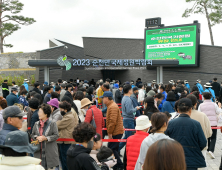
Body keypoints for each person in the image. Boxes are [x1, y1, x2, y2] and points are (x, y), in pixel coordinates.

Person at [165, 98, 207, 170]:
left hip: (175, 158)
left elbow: (165, 140)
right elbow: (203, 142)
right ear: (190, 109)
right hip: (192, 160)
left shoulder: (171, 123)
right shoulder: (196, 124)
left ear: (178, 110)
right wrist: (195, 149)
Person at [31, 104, 59, 170]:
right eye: (38, 112)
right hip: (38, 151)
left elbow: (56, 135)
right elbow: (32, 134)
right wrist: (37, 137)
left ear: (46, 114)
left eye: (40, 112)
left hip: (49, 151)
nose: (38, 113)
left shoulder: (52, 123)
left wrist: (46, 138)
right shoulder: (36, 123)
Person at [101, 91, 124, 170]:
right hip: (116, 131)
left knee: (111, 149)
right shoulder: (110, 105)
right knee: (114, 149)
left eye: (103, 98)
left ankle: (119, 165)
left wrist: (110, 133)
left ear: (107, 98)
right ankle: (118, 165)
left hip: (116, 131)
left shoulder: (112, 106)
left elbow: (112, 121)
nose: (102, 100)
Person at [187, 94, 212, 162]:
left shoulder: (180, 117)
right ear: (196, 103)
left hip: (186, 148)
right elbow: (209, 133)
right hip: (201, 147)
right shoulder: (203, 115)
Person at [198, 92, 221, 159]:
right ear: (210, 97)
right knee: (213, 137)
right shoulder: (214, 104)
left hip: (205, 124)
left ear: (204, 97)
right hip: (213, 124)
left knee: (207, 136)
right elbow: (218, 112)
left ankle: (208, 149)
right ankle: (211, 150)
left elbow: (199, 113)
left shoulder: (201, 105)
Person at [119, 84, 140, 152]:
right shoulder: (128, 99)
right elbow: (129, 111)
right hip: (129, 119)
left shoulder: (124, 98)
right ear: (129, 91)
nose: (132, 90)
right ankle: (117, 150)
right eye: (131, 89)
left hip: (127, 119)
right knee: (129, 137)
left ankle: (117, 149)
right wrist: (136, 109)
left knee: (127, 136)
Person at [57, 101, 76, 170]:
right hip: (63, 140)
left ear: (65, 110)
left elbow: (58, 125)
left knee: (65, 159)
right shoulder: (66, 116)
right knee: (62, 158)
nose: (60, 111)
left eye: (61, 109)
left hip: (66, 140)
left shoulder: (68, 117)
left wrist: (55, 122)